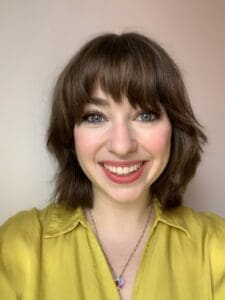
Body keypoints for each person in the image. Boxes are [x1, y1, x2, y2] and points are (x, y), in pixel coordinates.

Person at [0, 32, 225, 300]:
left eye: (145, 115)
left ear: (174, 128)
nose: (122, 146)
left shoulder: (216, 246)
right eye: (95, 116)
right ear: (70, 134)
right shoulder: (14, 245)